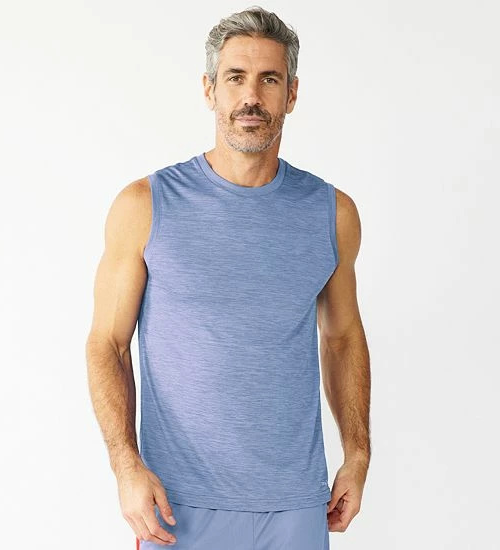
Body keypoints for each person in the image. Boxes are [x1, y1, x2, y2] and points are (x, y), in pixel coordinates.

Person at [86, 6, 371, 549]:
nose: (251, 97)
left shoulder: (332, 213)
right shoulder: (145, 206)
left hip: (296, 504)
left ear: (291, 94)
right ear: (209, 89)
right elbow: (108, 343)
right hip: (175, 505)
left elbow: (342, 338)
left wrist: (357, 454)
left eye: (270, 79)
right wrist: (126, 465)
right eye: (235, 78)